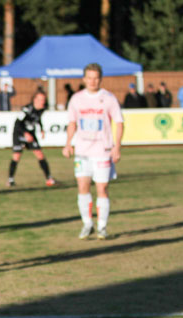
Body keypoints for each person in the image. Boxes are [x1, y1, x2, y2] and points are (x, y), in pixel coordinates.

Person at [62, 63, 124, 240]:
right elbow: (72, 123)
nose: (92, 81)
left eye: (95, 78)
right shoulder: (76, 99)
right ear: (84, 79)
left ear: (100, 79)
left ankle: (102, 226)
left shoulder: (109, 98)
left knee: (102, 188)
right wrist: (68, 144)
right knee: (82, 187)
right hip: (82, 151)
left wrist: (117, 146)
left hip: (102, 150)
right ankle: (87, 223)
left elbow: (119, 123)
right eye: (89, 78)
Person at [8, 91, 55, 188]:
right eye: (40, 99)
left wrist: (41, 129)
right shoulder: (26, 109)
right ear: (34, 100)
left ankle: (49, 178)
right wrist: (25, 134)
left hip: (30, 133)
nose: (42, 101)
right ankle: (10, 179)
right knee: (16, 156)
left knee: (40, 154)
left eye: (43, 100)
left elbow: (38, 119)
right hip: (19, 133)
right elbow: (17, 123)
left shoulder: (41, 109)